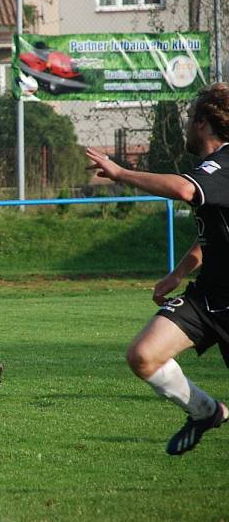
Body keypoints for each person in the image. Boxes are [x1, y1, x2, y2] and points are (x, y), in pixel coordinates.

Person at [85, 81, 229, 456]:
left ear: (201, 122)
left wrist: (120, 174)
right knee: (144, 355)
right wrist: (179, 274)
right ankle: (205, 412)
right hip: (209, 297)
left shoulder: (225, 164)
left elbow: (183, 190)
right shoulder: (213, 170)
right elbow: (211, 237)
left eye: (188, 119)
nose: (185, 127)